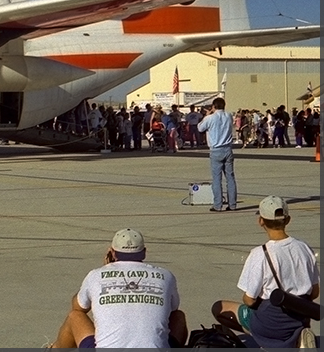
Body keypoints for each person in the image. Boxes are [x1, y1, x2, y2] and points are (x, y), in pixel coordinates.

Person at [49, 228, 187, 348]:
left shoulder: (96, 275)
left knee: (75, 316)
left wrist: (106, 271)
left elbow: (79, 307)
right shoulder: (165, 275)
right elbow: (173, 308)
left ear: (112, 252)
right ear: (144, 252)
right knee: (179, 317)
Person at [211, 195, 319, 348]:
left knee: (219, 307)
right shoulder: (305, 248)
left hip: (272, 320)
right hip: (300, 319)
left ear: (261, 221)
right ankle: (296, 339)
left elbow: (249, 299)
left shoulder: (260, 254)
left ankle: (269, 341)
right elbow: (314, 292)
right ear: (288, 220)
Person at [196, 97, 237, 212]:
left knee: (217, 179)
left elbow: (200, 128)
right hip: (228, 149)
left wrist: (207, 114)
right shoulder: (229, 116)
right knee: (230, 178)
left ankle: (218, 205)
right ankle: (232, 204)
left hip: (216, 149)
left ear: (214, 107)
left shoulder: (210, 118)